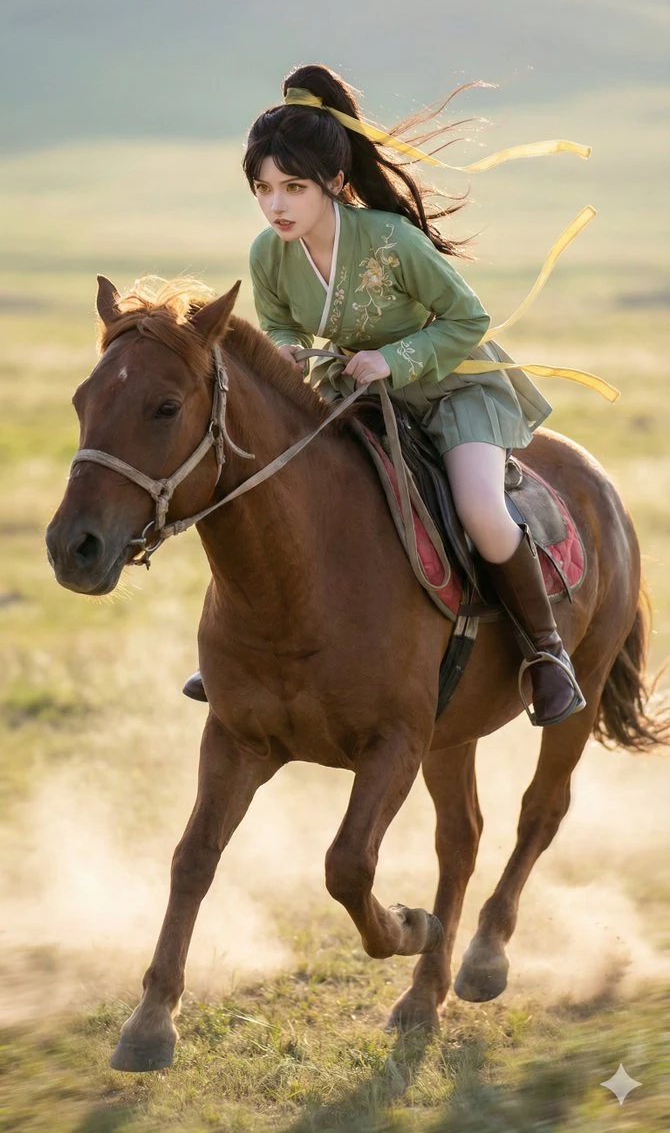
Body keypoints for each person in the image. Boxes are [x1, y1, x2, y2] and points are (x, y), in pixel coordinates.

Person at [185, 63, 594, 726]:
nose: (277, 205)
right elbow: (283, 323)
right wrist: (288, 354)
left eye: (293, 187)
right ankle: (248, 650)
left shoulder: (392, 240)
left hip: (456, 389)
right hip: (357, 397)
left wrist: (393, 358)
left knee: (483, 510)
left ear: (335, 183)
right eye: (263, 189)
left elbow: (468, 321)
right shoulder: (269, 253)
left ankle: (547, 654)